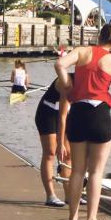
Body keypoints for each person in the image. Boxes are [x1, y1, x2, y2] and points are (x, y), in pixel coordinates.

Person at [55, 16, 111, 220]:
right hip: (100, 116)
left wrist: (68, 85)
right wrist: (105, 102)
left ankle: (72, 219)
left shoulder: (82, 51)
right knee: (95, 172)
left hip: (78, 112)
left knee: (77, 170)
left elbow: (59, 63)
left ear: (99, 36)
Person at [34, 75, 71, 207]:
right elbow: (62, 116)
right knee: (51, 152)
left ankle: (70, 195)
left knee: (68, 154)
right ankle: (50, 196)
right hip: (47, 113)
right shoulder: (66, 82)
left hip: (66, 113)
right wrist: (60, 143)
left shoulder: (86, 82)